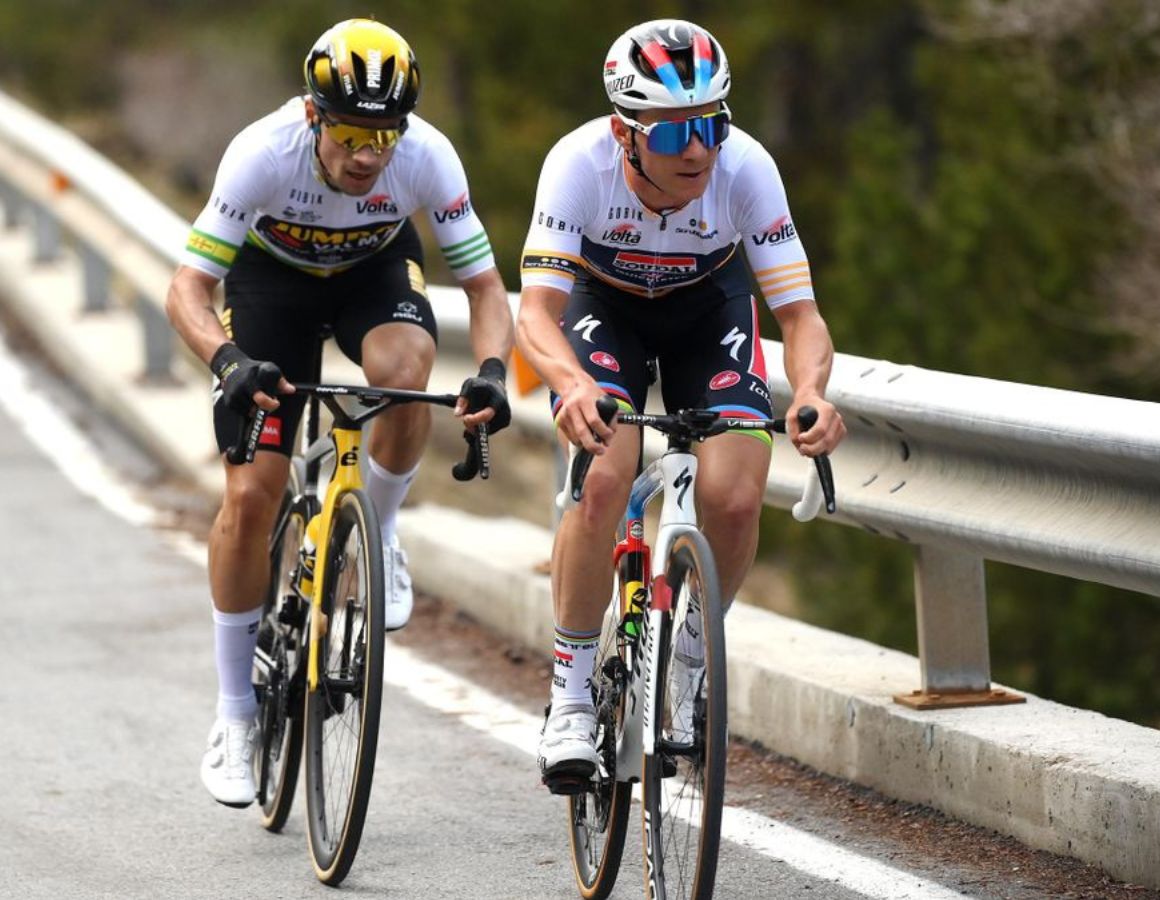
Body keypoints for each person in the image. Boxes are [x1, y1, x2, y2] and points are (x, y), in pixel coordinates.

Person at [166, 18, 514, 808]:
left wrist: (493, 372)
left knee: (409, 369)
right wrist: (229, 363)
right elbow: (185, 289)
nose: (368, 154)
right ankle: (234, 714)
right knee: (252, 494)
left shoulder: (424, 156)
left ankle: (381, 529)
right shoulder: (263, 154)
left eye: (383, 134)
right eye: (351, 133)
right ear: (314, 116)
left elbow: (486, 290)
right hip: (270, 283)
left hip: (371, 274)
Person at [516, 19, 846, 792]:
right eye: (672, 137)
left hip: (709, 312)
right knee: (604, 474)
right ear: (624, 135)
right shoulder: (578, 166)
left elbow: (800, 317)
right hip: (608, 312)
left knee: (735, 496)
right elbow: (536, 312)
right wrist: (571, 384)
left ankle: (691, 662)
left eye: (711, 125)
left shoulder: (747, 170)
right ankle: (567, 698)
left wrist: (809, 394)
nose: (698, 150)